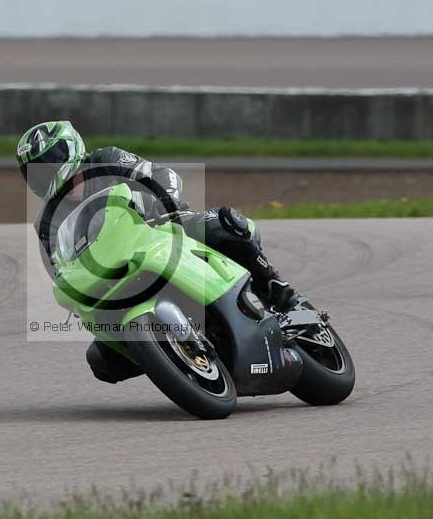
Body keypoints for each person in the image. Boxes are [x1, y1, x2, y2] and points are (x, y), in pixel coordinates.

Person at [18, 120, 298, 383]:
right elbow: (61, 268)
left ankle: (279, 292)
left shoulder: (106, 159)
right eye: (38, 170)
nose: (48, 173)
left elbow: (162, 175)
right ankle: (169, 355)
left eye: (52, 161)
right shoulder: (46, 220)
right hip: (115, 271)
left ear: (72, 149)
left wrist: (165, 202)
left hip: (163, 228)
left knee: (225, 225)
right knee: (102, 361)